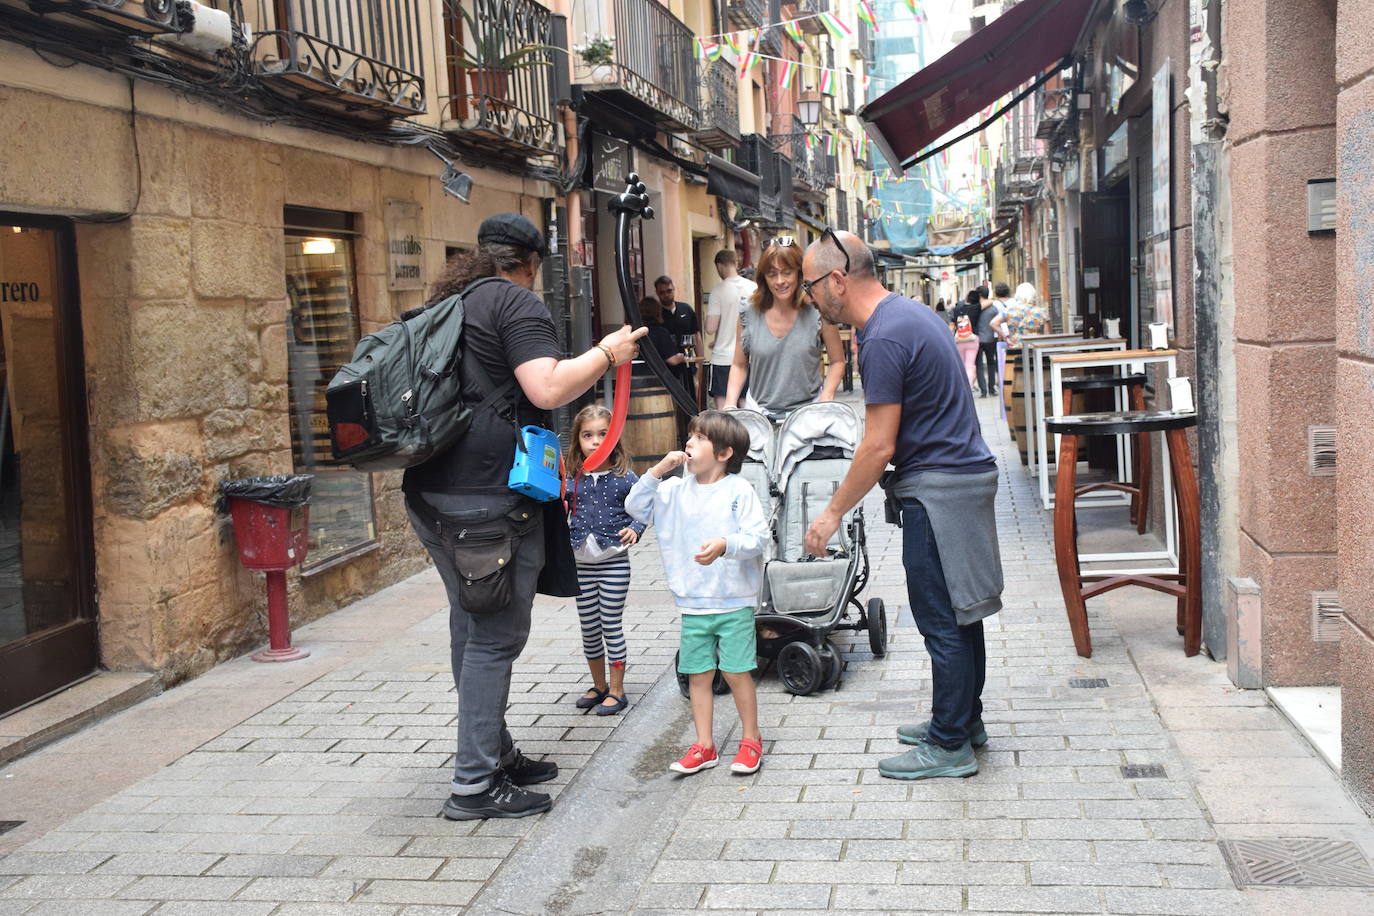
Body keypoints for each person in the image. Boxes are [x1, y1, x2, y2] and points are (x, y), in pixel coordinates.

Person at [403, 213, 647, 820]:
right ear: (531, 263)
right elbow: (547, 388)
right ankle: (475, 784)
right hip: (486, 499)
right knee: (493, 636)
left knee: (470, 624)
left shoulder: (452, 303)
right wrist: (607, 352)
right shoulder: (515, 305)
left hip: (431, 493)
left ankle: (494, 751)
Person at [800, 230, 1003, 781]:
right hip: (957, 482)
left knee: (942, 620)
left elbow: (878, 443)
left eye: (812, 286)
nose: (811, 299)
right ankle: (962, 720)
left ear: (837, 280)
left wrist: (831, 512)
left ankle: (948, 744)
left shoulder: (883, 337)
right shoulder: (909, 316)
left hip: (939, 492)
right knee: (962, 615)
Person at [625, 410, 769, 776]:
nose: (689, 443)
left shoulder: (739, 490)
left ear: (724, 453)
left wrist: (726, 544)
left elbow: (758, 538)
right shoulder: (672, 490)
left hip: (733, 599)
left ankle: (751, 739)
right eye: (689, 436)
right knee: (698, 675)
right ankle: (704, 745)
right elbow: (634, 507)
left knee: (737, 673)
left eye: (700, 438)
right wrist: (657, 471)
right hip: (693, 601)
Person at [564, 405, 644, 718]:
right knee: (588, 626)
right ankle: (598, 685)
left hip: (613, 563)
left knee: (610, 623)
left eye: (602, 434)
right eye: (588, 435)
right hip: (581, 563)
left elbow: (643, 509)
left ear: (614, 437)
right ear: (577, 439)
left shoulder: (625, 477)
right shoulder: (572, 477)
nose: (595, 441)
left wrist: (635, 529)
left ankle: (618, 689)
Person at [723, 238, 846, 420]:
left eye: (787, 272)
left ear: (799, 273)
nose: (780, 281)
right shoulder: (748, 312)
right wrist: (730, 404)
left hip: (809, 416)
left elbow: (838, 361)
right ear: (763, 277)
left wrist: (826, 398)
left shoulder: (818, 309)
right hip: (759, 416)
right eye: (772, 274)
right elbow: (739, 364)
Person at [704, 249, 757, 408]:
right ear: (736, 263)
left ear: (719, 266)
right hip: (750, 357)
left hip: (723, 359)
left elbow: (710, 328)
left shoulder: (718, 291)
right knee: (747, 406)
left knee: (724, 409)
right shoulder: (754, 288)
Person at [654, 276, 701, 400]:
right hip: (666, 368)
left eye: (669, 291)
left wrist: (699, 362)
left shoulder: (686, 309)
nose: (666, 295)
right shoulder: (656, 314)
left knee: (691, 399)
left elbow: (696, 335)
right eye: (662, 292)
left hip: (688, 362)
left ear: (674, 289)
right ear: (657, 294)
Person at [635, 297, 688, 377]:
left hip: (634, 376)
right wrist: (683, 356)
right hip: (655, 378)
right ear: (658, 312)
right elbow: (672, 360)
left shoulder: (634, 332)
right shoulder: (660, 333)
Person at [974, 289, 1006, 398]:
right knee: (991, 363)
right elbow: (999, 324)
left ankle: (983, 391)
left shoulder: (976, 309)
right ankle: (991, 389)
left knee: (979, 365)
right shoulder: (993, 309)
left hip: (978, 339)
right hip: (990, 339)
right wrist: (1001, 338)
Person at [1000, 281, 1050, 346]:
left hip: (1015, 346)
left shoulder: (1009, 311)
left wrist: (1006, 338)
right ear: (1033, 294)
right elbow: (1047, 333)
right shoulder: (1040, 311)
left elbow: (993, 323)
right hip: (1036, 347)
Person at [951, 290, 983, 391]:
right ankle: (968, 386)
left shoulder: (957, 309)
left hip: (959, 339)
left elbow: (952, 324)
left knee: (960, 363)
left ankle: (960, 385)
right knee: (970, 364)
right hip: (972, 339)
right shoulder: (977, 308)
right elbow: (988, 302)